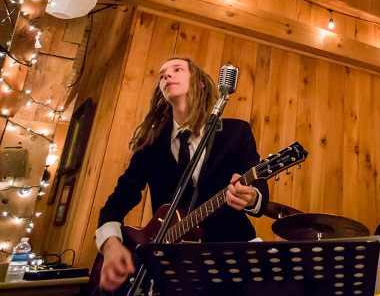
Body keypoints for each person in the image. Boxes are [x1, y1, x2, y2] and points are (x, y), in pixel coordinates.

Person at [95, 57, 269, 291]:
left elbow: (259, 192)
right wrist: (111, 245)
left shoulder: (236, 132)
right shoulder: (151, 145)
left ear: (201, 84)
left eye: (177, 70)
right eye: (162, 74)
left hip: (232, 264)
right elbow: (115, 205)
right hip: (171, 271)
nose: (167, 76)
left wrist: (252, 198)